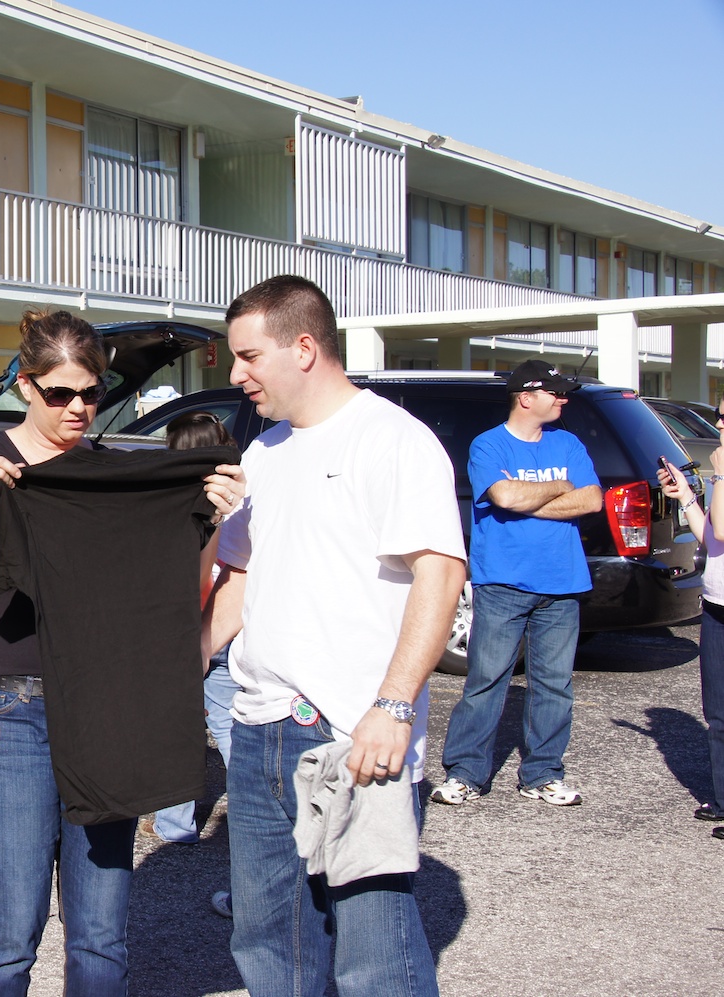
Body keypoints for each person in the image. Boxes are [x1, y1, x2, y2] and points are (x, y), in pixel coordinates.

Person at [0, 309, 235, 996]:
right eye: (60, 393)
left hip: (107, 709)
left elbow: (180, 590)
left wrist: (211, 521)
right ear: (25, 384)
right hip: (11, 710)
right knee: (9, 930)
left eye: (92, 392)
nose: (78, 407)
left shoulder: (113, 476)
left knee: (101, 934)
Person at [204, 275, 465, 997]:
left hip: (354, 734)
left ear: (304, 347)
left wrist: (396, 705)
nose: (238, 375)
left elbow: (440, 573)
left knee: (375, 955)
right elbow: (241, 579)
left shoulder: (394, 440)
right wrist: (186, 663)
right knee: (268, 943)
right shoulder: (263, 454)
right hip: (258, 729)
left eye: (249, 356)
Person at [432, 360, 602, 809]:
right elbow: (503, 496)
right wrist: (561, 485)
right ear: (526, 397)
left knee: (555, 686)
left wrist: (530, 500)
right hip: (503, 583)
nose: (562, 399)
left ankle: (543, 774)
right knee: (486, 681)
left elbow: (591, 499)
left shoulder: (568, 442)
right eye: (554, 392)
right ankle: (465, 773)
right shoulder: (488, 445)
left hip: (562, 583)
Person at [148, 413, 242, 865]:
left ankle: (175, 824)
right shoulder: (242, 493)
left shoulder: (177, 500)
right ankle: (256, 811)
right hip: (233, 624)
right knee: (230, 725)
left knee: (174, 728)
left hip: (185, 626)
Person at [658, 413, 724, 837]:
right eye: (720, 415)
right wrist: (686, 497)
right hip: (717, 605)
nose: (720, 424)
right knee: (717, 712)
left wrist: (721, 475)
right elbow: (712, 540)